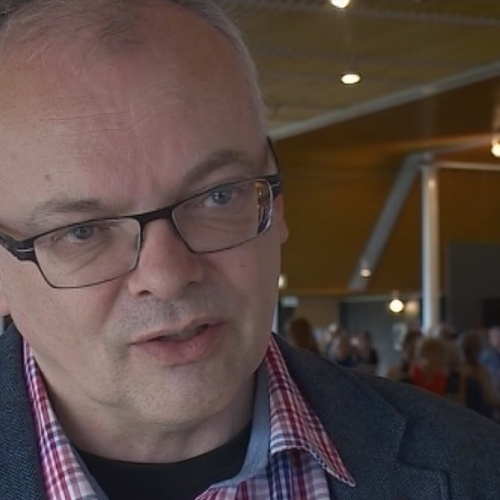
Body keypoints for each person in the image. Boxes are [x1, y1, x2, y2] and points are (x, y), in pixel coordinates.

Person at [0, 1, 500, 499]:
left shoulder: (477, 469)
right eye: (82, 231)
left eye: (218, 195)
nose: (168, 275)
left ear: (277, 204)